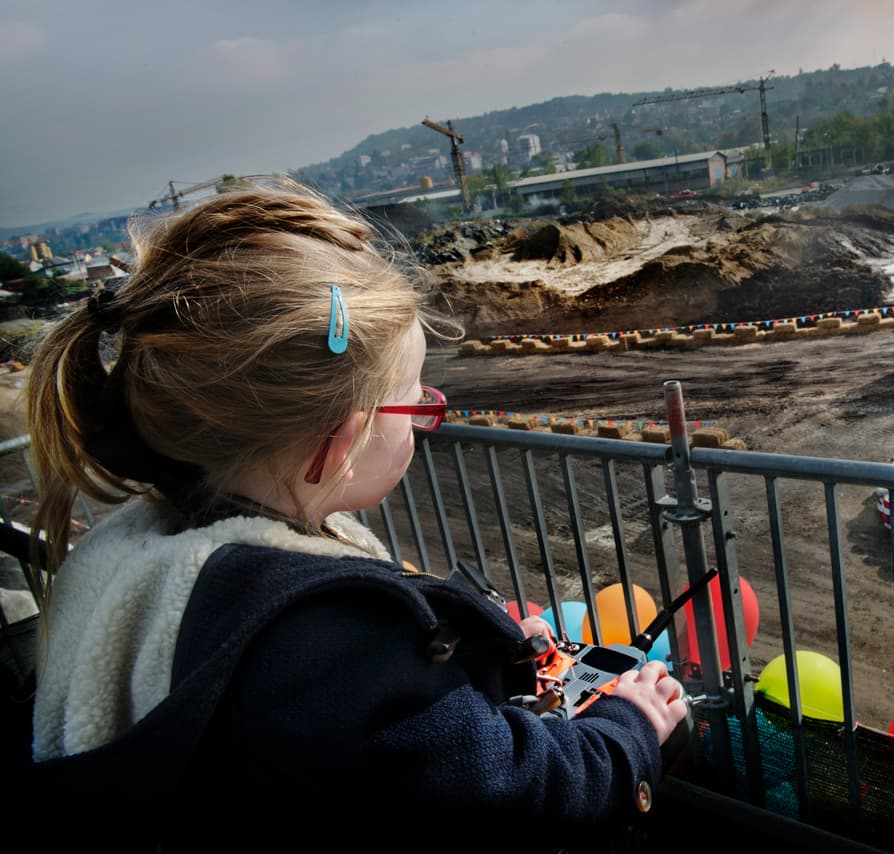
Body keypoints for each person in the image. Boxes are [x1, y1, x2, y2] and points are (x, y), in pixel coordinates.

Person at [20, 178, 688, 847]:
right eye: (414, 402)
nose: (421, 423)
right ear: (341, 443)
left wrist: (496, 654)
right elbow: (513, 786)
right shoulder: (323, 642)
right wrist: (627, 729)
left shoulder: (144, 548)